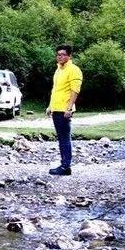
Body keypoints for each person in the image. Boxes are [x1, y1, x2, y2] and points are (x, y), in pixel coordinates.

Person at [46, 44, 84, 176]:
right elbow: (56, 90)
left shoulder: (74, 70)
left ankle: (65, 166)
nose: (59, 57)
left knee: (64, 138)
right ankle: (64, 164)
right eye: (58, 54)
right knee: (61, 138)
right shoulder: (59, 70)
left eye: (62, 54)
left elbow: (75, 90)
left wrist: (69, 108)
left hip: (64, 110)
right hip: (56, 108)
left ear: (69, 56)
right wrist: (50, 106)